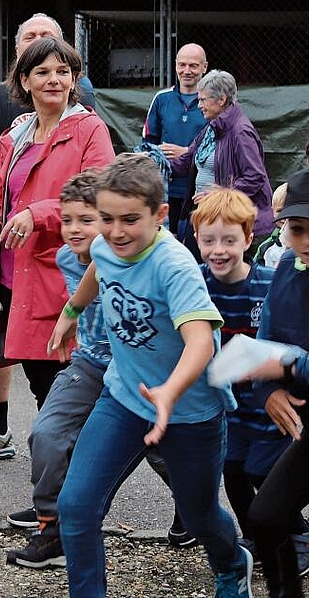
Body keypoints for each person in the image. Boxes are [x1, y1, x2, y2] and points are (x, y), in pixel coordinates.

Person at [51, 154, 252, 597]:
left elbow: (200, 341)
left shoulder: (174, 266)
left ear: (160, 215)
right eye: (106, 218)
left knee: (198, 515)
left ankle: (233, 563)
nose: (116, 231)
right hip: (123, 399)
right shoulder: (107, 243)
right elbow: (98, 267)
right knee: (76, 506)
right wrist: (71, 311)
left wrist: (168, 393)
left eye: (129, 220)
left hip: (190, 412)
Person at [0, 36, 114, 528]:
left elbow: (97, 193)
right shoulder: (14, 134)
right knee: (41, 387)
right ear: (24, 81)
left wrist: (39, 213)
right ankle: (58, 501)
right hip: (11, 276)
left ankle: (65, 504)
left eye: (63, 71)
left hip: (63, 275)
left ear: (74, 79)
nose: (55, 80)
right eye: (43, 72)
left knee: (63, 396)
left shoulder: (90, 129)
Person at [191, 188, 308, 565]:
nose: (219, 250)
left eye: (229, 239)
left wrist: (276, 378)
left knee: (266, 473)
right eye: (209, 240)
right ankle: (256, 537)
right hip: (229, 404)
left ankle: (296, 539)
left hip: (269, 406)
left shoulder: (268, 281)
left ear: (248, 237)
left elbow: (278, 345)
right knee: (232, 469)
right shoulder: (194, 286)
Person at [6, 170, 111, 569]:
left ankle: (196, 515)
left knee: (162, 450)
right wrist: (70, 326)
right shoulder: (67, 257)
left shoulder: (121, 254)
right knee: (46, 433)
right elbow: (79, 298)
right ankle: (52, 527)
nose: (73, 229)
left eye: (86, 220)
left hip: (135, 368)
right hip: (90, 362)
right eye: (67, 220)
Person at [244, 167, 309, 598]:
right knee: (266, 517)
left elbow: (278, 358)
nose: (304, 241)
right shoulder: (289, 265)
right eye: (297, 229)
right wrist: (269, 390)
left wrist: (288, 367)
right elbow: (263, 345)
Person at [169, 69, 273, 260]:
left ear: (222, 100)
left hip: (236, 222)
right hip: (210, 217)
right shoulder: (212, 127)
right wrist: (156, 164)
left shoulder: (241, 132)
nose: (199, 105)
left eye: (203, 100)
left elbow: (255, 177)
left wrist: (219, 195)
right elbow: (189, 159)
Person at [142, 43, 208, 235]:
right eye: (182, 65)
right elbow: (147, 141)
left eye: (193, 66)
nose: (187, 71)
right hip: (165, 190)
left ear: (204, 67)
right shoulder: (161, 99)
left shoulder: (212, 101)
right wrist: (156, 155)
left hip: (199, 192)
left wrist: (188, 153)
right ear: (176, 65)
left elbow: (221, 145)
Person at [255, 183, 290, 268]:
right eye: (279, 211)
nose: (284, 216)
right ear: (272, 211)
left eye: (289, 210)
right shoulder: (267, 246)